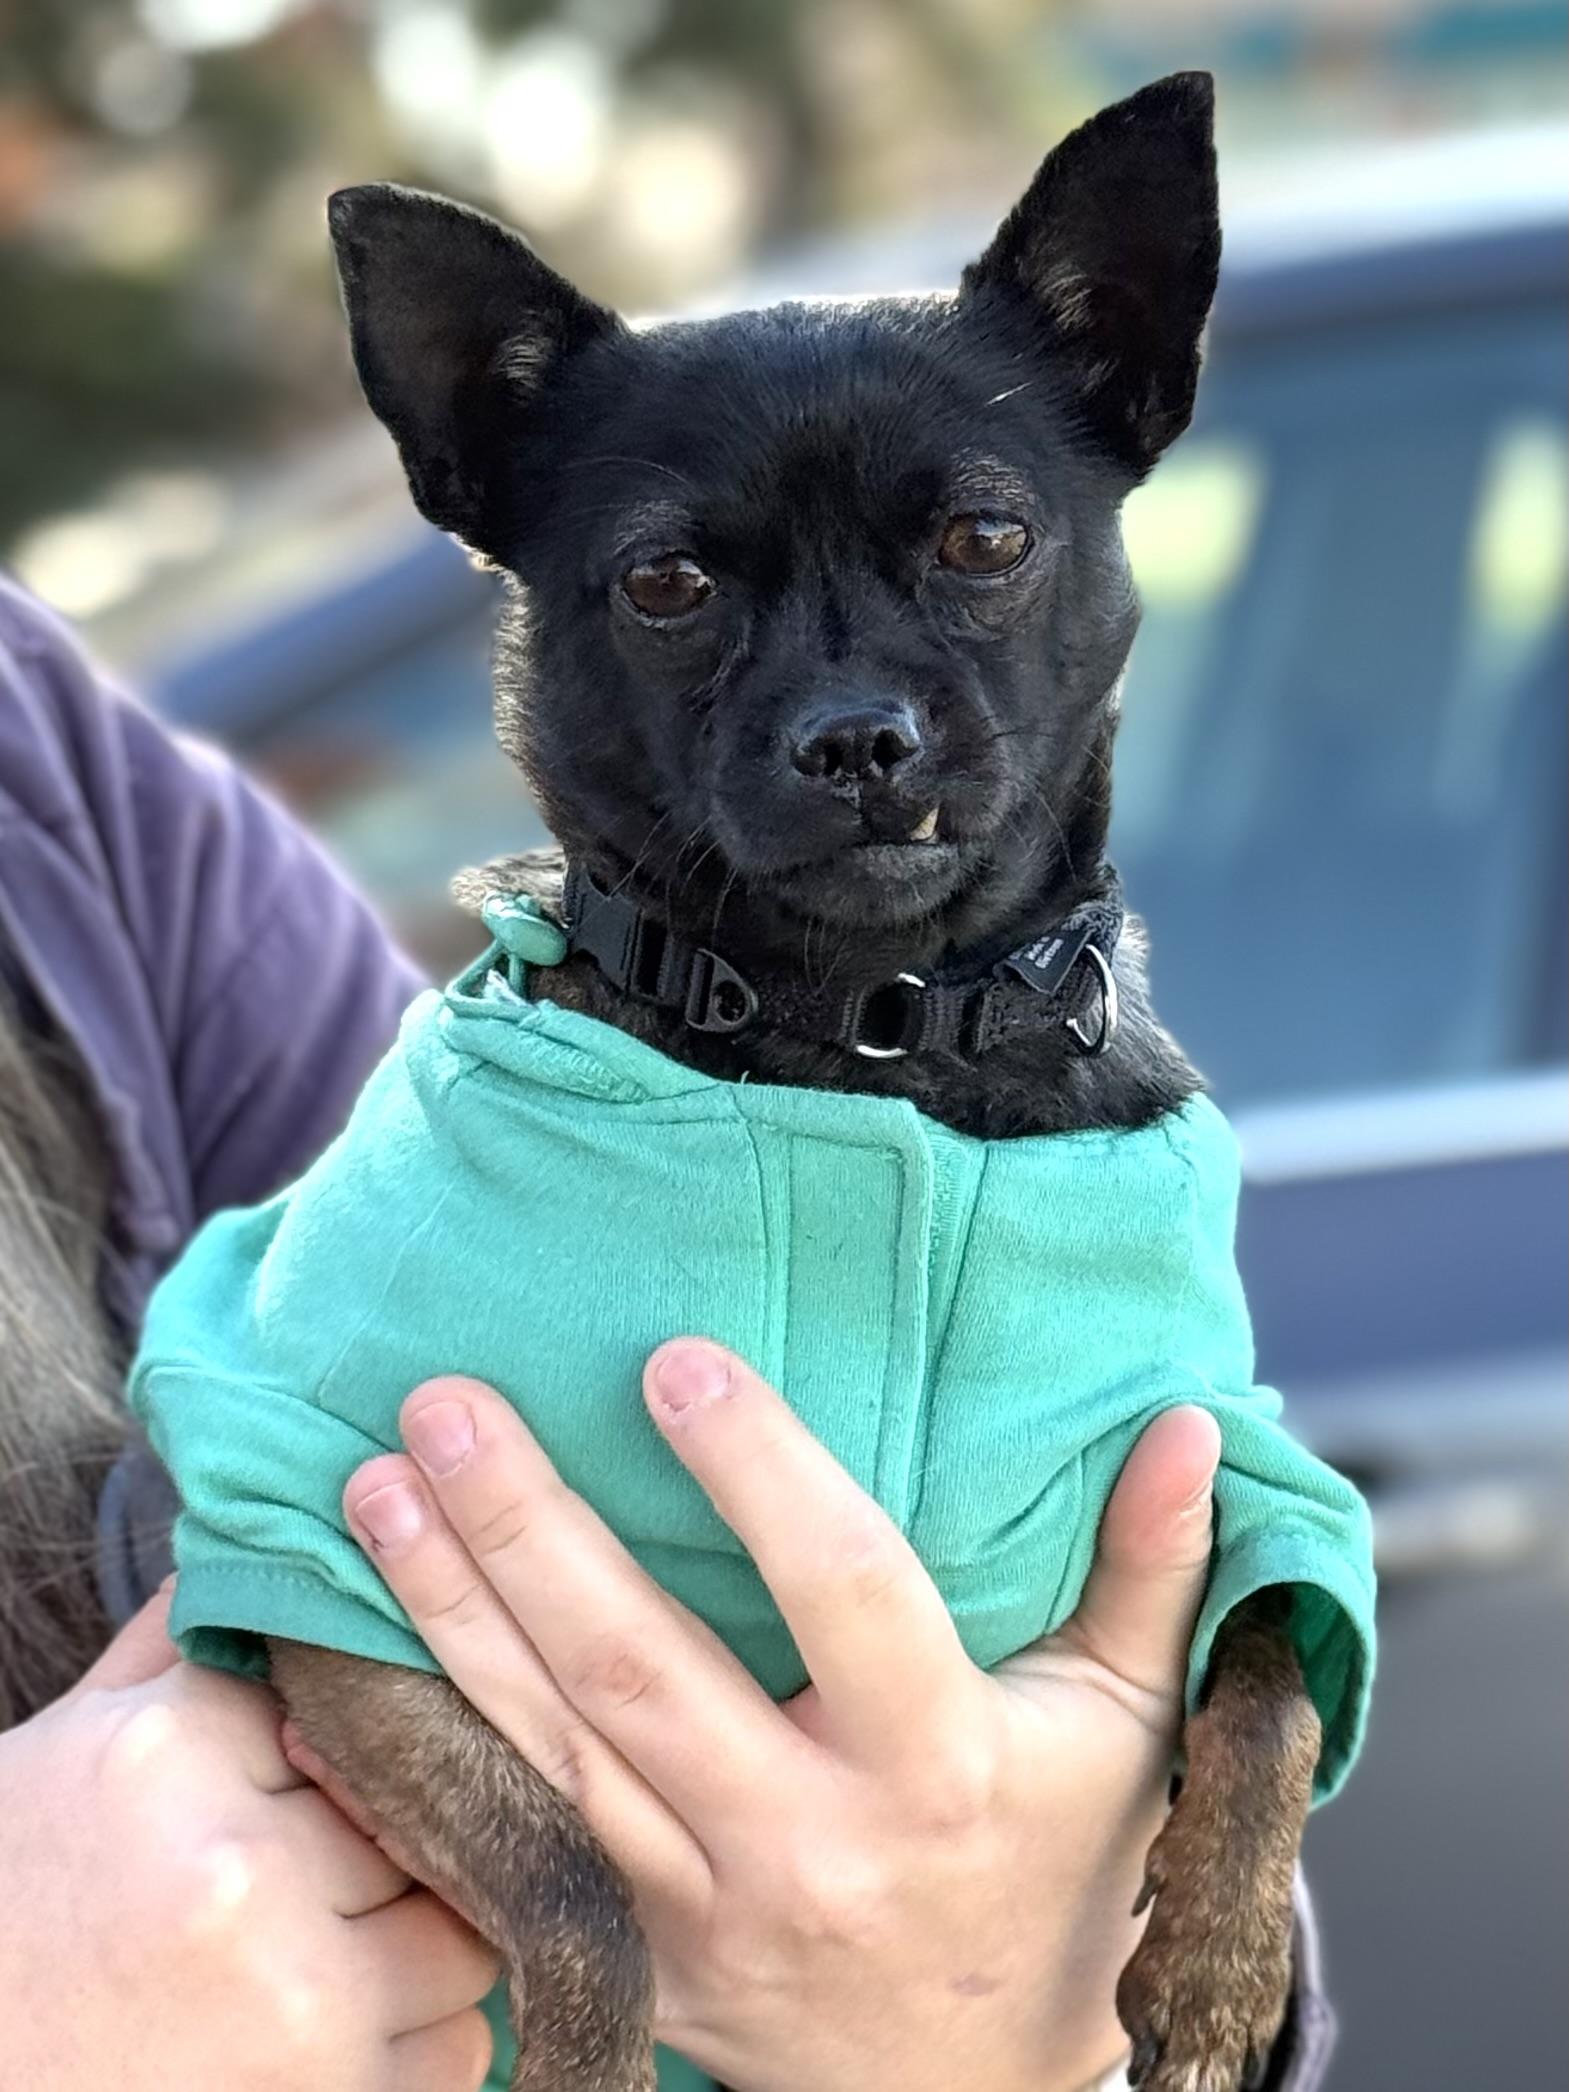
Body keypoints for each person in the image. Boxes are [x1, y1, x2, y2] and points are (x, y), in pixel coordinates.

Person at [0, 572, 1334, 2090]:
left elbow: (1136, 1701)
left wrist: (1022, 1999)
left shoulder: (42, 762)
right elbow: (302, 1508)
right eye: (676, 590)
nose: (855, 706)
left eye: (975, 546)